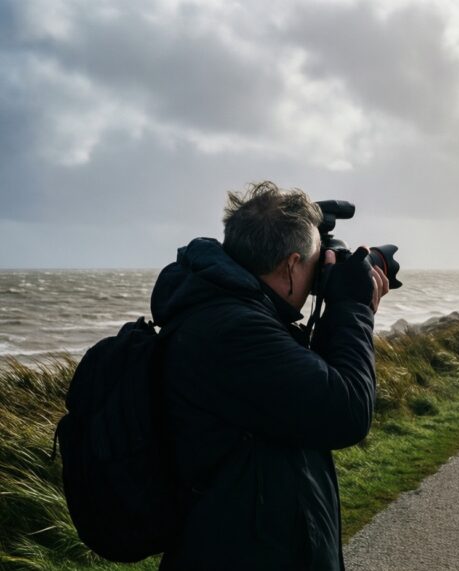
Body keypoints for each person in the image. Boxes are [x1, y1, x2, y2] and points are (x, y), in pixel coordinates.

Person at [150, 181, 388, 570]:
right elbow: (348, 412)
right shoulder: (234, 332)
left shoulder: (227, 309)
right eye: (313, 262)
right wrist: (352, 307)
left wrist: (312, 232)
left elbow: (311, 383)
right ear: (291, 265)